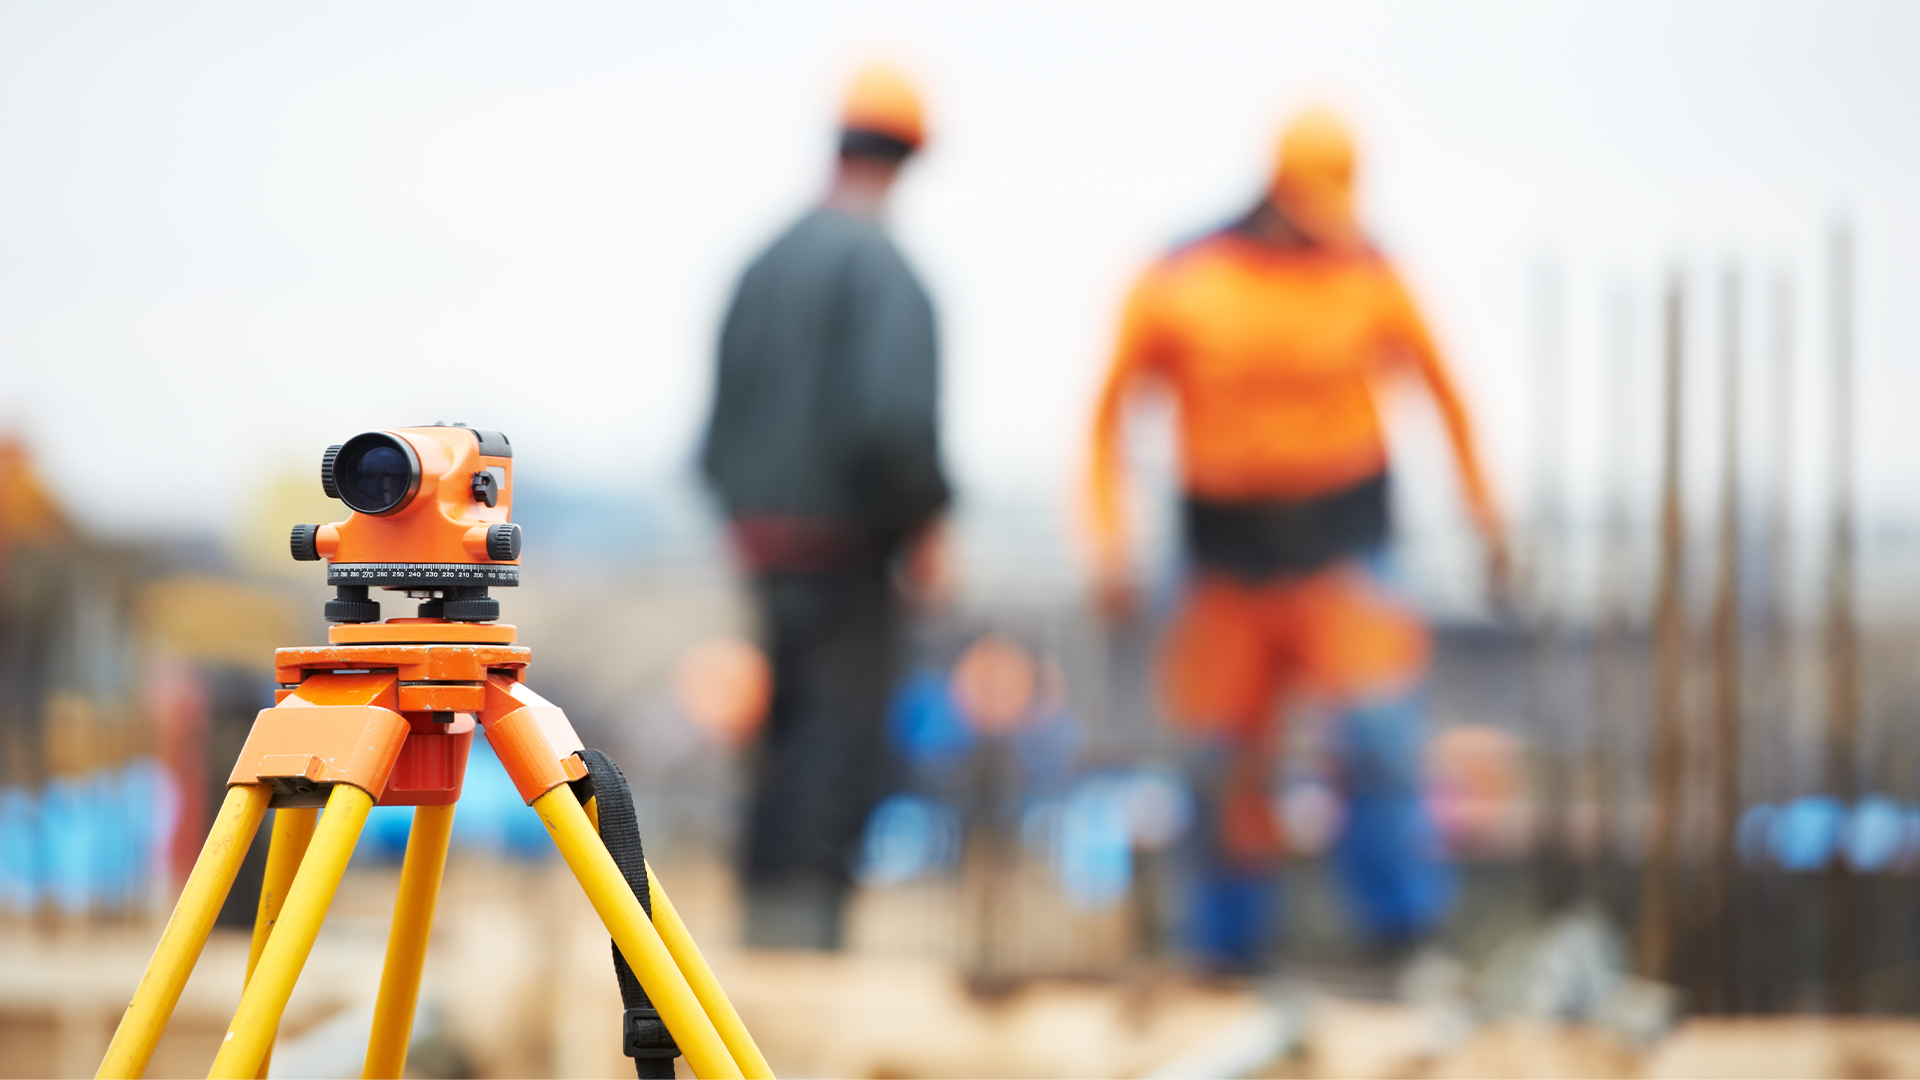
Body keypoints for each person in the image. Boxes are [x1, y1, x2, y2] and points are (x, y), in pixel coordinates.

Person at [1086, 108, 1508, 969]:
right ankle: (1226, 949)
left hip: (1344, 554)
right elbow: (1107, 415)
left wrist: (1489, 525)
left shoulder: (1372, 275)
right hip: (1223, 564)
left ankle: (1399, 937)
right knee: (1220, 762)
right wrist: (1108, 541)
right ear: (1275, 191)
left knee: (1381, 746)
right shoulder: (1180, 279)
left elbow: (1449, 397)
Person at [701, 66, 949, 950]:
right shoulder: (881, 269)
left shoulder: (765, 262)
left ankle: (764, 933)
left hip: (765, 542)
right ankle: (801, 942)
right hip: (846, 544)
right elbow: (893, 420)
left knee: (785, 737)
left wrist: (744, 514)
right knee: (836, 746)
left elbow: (715, 427)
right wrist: (925, 520)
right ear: (911, 156)